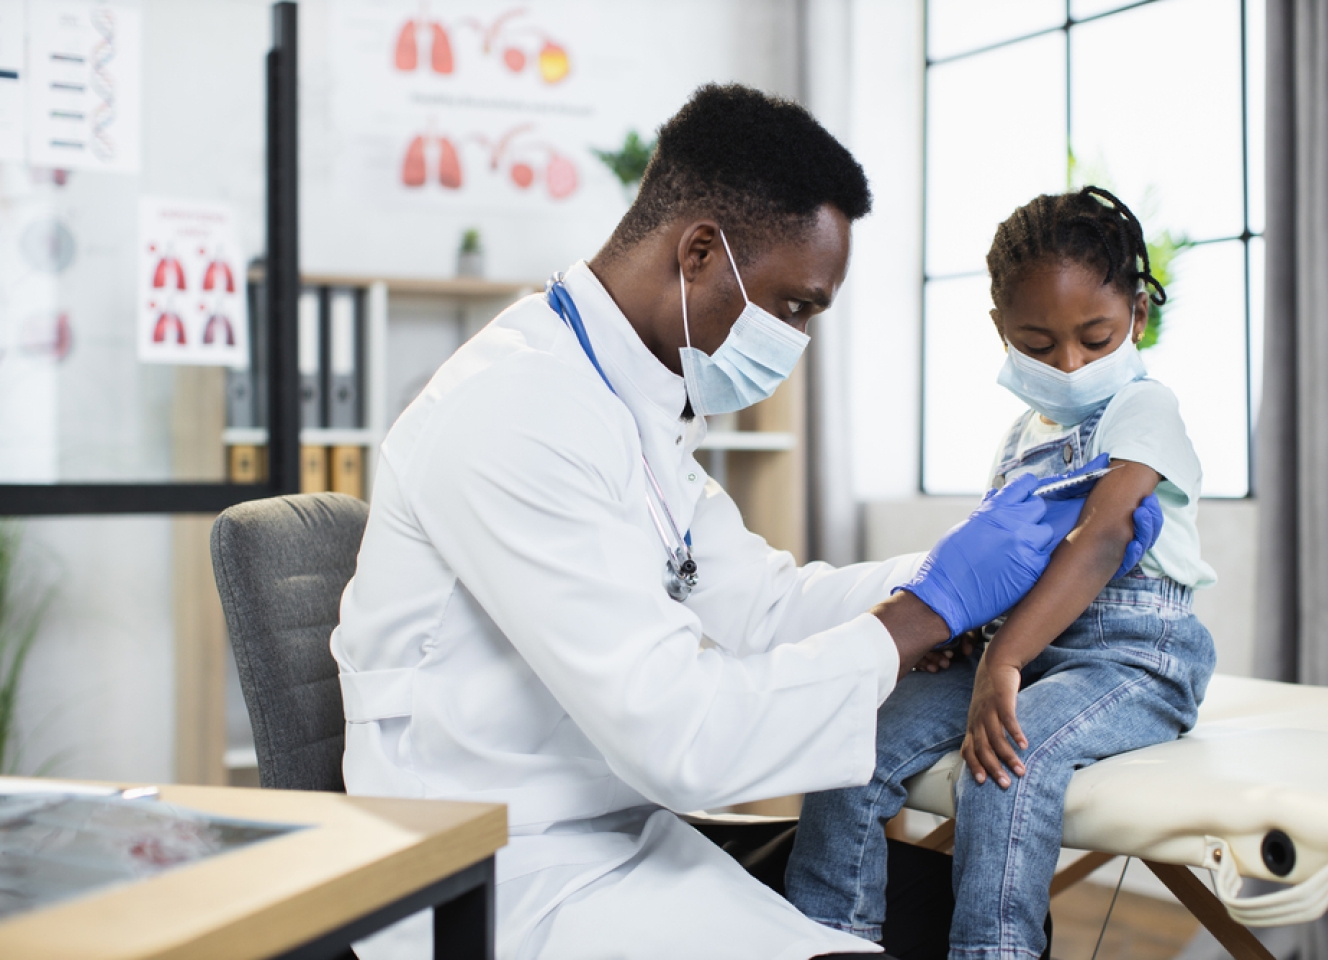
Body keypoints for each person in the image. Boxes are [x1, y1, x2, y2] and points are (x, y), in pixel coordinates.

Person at [332, 87, 1162, 960]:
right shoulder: (513, 413)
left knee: (933, 902)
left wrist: (953, 574)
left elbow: (760, 605)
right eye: (795, 306)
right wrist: (927, 611)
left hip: (618, 834)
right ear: (698, 253)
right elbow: (676, 734)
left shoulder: (633, 404)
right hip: (498, 877)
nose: (797, 337)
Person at [784, 187, 1218, 960]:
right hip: (1015, 651)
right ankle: (824, 940)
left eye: (1096, 337)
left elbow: (1101, 535)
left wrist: (1006, 660)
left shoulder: (1145, 407)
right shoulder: (1022, 434)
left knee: (1006, 766)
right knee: (850, 746)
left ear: (1138, 320)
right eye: (1041, 344)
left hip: (1132, 660)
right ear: (1002, 332)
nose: (1072, 364)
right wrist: (969, 641)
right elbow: (998, 564)